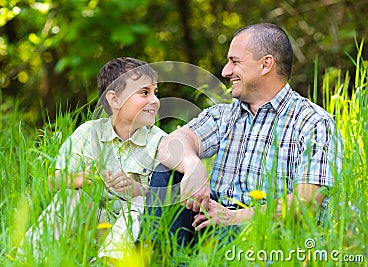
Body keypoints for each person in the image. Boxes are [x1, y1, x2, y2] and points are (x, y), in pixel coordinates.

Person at [145, 23, 342, 247]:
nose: (225, 72)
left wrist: (233, 218)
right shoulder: (224, 114)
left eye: (235, 62)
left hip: (267, 233)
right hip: (211, 222)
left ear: (266, 64)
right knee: (169, 170)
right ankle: (156, 258)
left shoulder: (313, 122)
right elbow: (170, 144)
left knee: (228, 237)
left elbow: (307, 202)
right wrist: (193, 167)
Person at [19, 57, 166, 262]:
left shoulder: (161, 142)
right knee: (73, 196)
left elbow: (167, 198)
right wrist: (83, 178)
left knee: (142, 202)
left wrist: (137, 190)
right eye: (144, 92)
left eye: (154, 92)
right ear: (114, 99)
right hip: (90, 225)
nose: (154, 100)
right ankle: (26, 257)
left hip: (132, 232)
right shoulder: (89, 132)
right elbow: (54, 180)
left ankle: (109, 261)